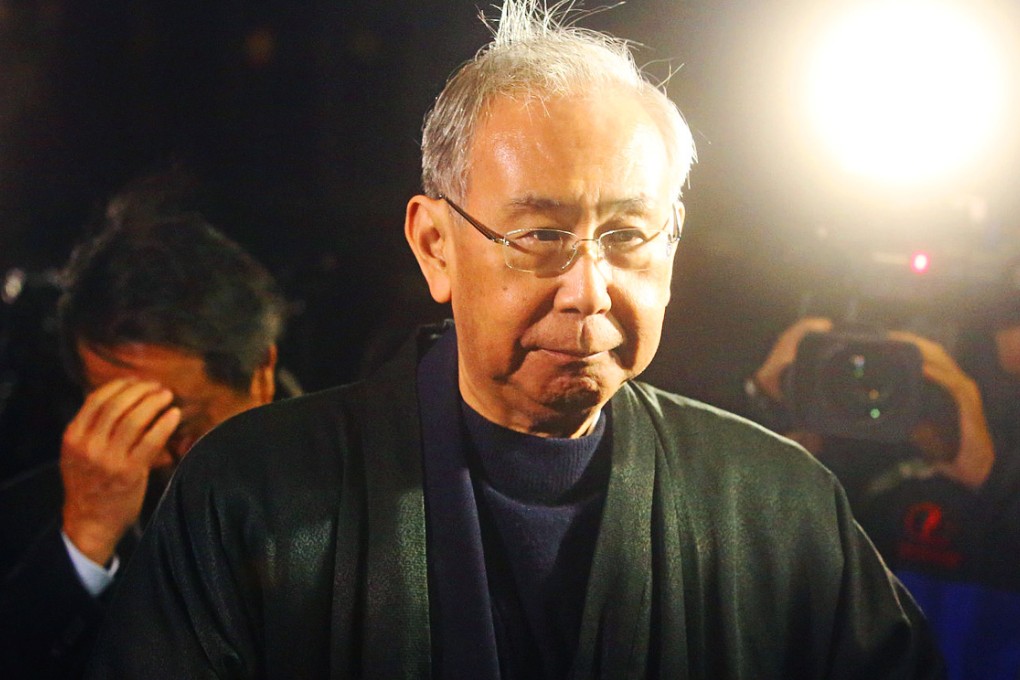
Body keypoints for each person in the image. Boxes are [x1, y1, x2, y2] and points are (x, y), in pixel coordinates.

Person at [87, 2, 945, 677]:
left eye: (627, 235)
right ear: (435, 246)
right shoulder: (255, 497)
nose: (588, 288)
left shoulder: (780, 509)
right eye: (540, 236)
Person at [0, 195, 288, 679]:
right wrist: (86, 538)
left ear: (260, 373)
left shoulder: (356, 480)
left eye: (174, 421)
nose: (147, 454)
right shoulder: (22, 522)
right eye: (120, 415)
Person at [745, 305, 1020, 679]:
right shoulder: (807, 471)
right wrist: (763, 408)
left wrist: (992, 476)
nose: (867, 389)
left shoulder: (979, 478)